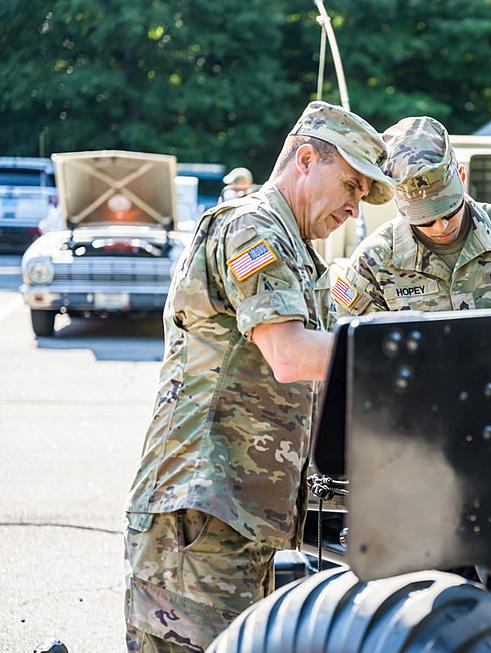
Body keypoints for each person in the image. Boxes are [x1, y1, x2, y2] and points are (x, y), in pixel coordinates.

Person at [123, 101, 394, 652]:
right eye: (350, 185)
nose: (353, 208)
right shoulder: (251, 227)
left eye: (364, 196)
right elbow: (291, 356)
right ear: (306, 159)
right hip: (200, 512)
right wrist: (402, 352)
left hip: (240, 514)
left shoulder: (296, 251)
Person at [330, 116, 491, 318]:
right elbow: (355, 349)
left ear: (462, 176)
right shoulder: (373, 262)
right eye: (424, 220)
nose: (440, 227)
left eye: (449, 212)